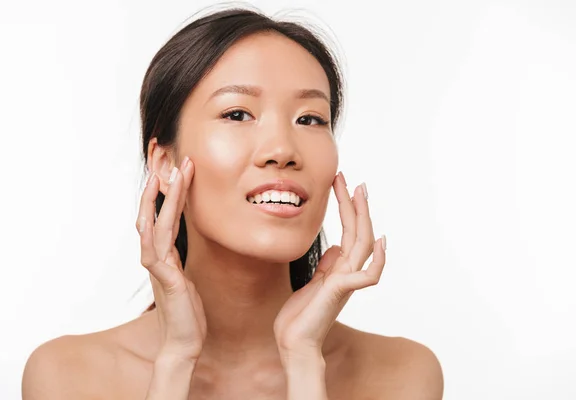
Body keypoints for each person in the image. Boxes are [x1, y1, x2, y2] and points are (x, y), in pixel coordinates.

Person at [22, 7, 443, 399]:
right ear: (165, 162)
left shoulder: (402, 375)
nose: (282, 149)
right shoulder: (67, 376)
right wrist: (176, 361)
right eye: (238, 114)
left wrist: (302, 362)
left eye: (310, 118)